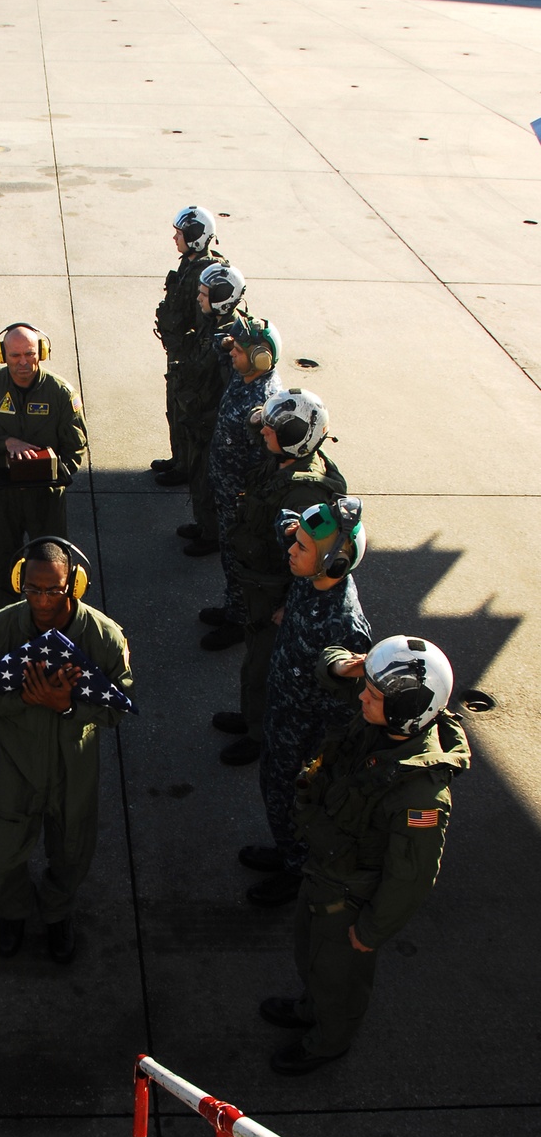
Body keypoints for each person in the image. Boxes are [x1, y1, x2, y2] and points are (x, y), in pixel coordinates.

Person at [262, 635, 470, 1075]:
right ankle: (309, 1007)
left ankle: (329, 1040)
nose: (362, 697)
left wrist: (373, 931)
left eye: (373, 694)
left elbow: (410, 876)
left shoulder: (421, 797)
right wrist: (354, 668)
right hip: (325, 871)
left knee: (340, 975)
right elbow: (330, 668)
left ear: (404, 707)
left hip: (350, 896)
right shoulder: (382, 727)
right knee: (310, 951)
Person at [0, 538, 132, 962]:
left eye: (53, 590)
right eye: (32, 589)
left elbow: (118, 707)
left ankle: (57, 914)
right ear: (20, 583)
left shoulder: (104, 636)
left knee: (72, 850)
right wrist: (27, 699)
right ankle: (13, 912)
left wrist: (68, 705)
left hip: (73, 766)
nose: (41, 600)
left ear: (74, 583)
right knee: (1, 851)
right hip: (13, 762)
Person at [241, 497, 372, 907]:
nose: (291, 552)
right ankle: (284, 850)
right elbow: (289, 518)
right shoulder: (312, 573)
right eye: (294, 544)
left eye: (300, 548)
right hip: (283, 713)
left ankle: (297, 870)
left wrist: (315, 760)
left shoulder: (344, 624)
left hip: (307, 735)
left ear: (334, 563)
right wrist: (292, 530)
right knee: (272, 791)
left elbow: (347, 704)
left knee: (295, 803)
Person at [210, 388, 347, 766]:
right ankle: (250, 716)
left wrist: (292, 604)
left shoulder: (306, 491)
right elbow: (259, 431)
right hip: (258, 582)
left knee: (267, 669)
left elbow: (315, 558)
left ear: (293, 436)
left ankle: (260, 735)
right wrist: (263, 418)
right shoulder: (285, 461)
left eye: (274, 428)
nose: (264, 432)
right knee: (254, 659)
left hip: (277, 594)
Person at [0, 325, 88, 609]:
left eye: (30, 353)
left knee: (52, 566)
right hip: (2, 495)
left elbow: (76, 447)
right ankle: (8, 622)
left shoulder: (60, 392)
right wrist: (6, 443)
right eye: (15, 355)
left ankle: (51, 623)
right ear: (2, 355)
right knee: (2, 564)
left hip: (46, 496)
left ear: (41, 352)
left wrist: (53, 472)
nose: (23, 362)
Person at [201, 313, 283, 651]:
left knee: (240, 561)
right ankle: (231, 606)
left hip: (241, 499)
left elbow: (266, 462)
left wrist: (245, 500)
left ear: (261, 358)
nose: (230, 354)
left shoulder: (263, 404)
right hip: (225, 487)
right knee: (228, 557)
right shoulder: (246, 374)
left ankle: (239, 620)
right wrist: (229, 340)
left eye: (238, 351)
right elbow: (218, 346)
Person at [176, 262, 245, 557]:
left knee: (208, 480)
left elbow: (231, 389)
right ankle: (203, 524)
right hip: (199, 416)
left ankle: (212, 534)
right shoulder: (212, 324)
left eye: (204, 295)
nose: (198, 298)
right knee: (197, 474)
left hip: (212, 423)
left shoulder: (232, 338)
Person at [150, 206, 220, 487]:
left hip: (192, 358)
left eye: (179, 233)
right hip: (179, 354)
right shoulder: (188, 265)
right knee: (175, 408)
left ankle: (187, 467)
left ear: (194, 236)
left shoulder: (207, 272)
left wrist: (195, 355)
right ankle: (178, 458)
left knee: (187, 411)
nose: (175, 239)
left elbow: (206, 319)